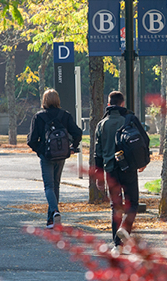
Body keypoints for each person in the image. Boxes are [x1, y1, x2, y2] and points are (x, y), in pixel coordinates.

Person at [94, 91, 150, 254]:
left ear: (109, 104)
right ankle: (124, 229)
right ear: (122, 104)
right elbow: (144, 140)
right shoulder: (130, 119)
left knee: (115, 207)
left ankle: (117, 246)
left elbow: (97, 153)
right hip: (129, 168)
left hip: (110, 170)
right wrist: (143, 161)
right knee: (132, 203)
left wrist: (99, 176)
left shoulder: (101, 124)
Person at [27, 89, 82, 229]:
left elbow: (31, 140)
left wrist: (41, 152)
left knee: (48, 186)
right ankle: (51, 220)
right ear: (57, 100)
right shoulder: (65, 115)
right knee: (55, 185)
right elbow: (78, 133)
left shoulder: (39, 117)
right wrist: (71, 148)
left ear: (44, 101)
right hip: (61, 155)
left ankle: (55, 212)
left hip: (47, 156)